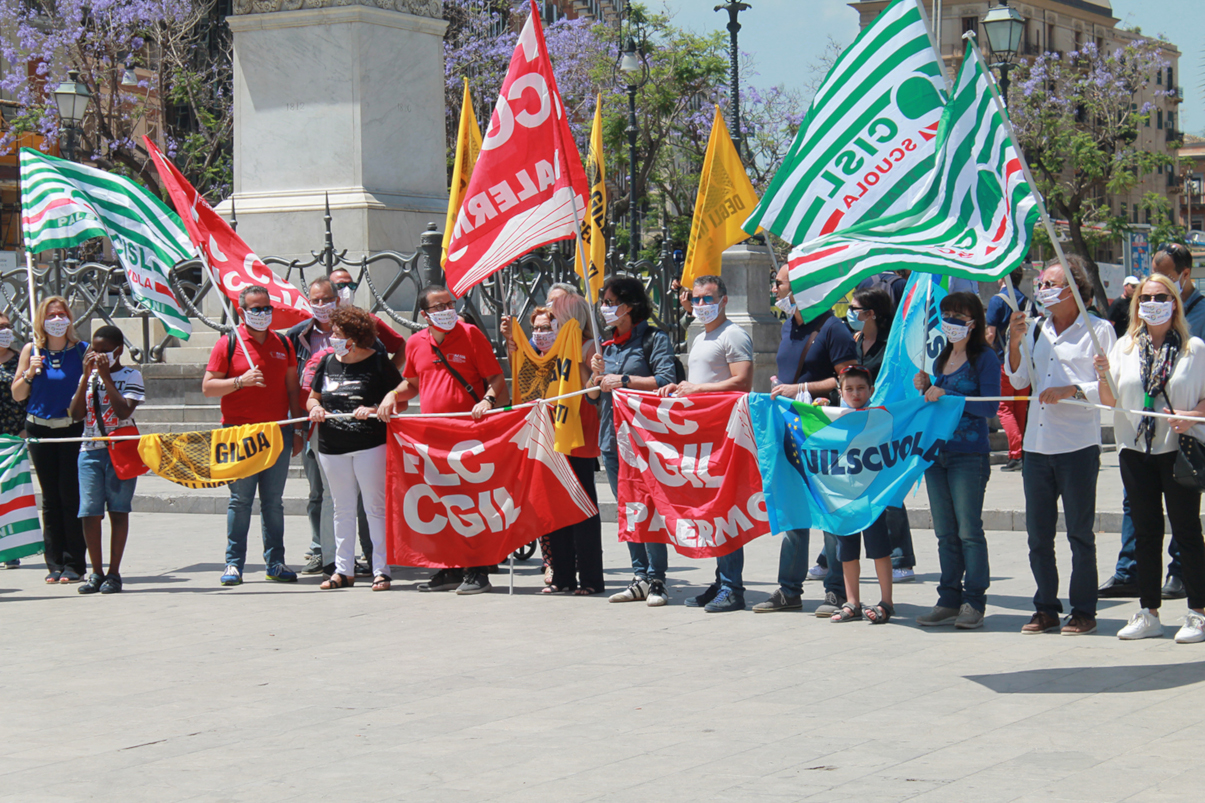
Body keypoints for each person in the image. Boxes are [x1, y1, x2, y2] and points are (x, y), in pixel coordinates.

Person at [1005, 256, 1117, 635]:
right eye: (1041, 284)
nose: (1043, 291)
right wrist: (1014, 341)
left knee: (1080, 534)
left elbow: (1109, 389)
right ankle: (1045, 607)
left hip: (1076, 445)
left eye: (1051, 284)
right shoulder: (1036, 328)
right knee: (1039, 535)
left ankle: (1083, 610)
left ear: (1074, 288)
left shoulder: (1098, 330)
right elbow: (1019, 379)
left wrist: (1073, 390)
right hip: (1037, 446)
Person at [378, 284, 509, 595]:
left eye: (449, 304)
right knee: (443, 502)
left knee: (471, 503)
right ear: (425, 314)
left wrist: (487, 401)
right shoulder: (415, 343)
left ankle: (477, 570)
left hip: (469, 435)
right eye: (438, 307)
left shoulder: (470, 334)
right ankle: (450, 568)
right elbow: (412, 384)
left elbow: (496, 379)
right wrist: (392, 394)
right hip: (433, 438)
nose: (447, 310)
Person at [1095, 274, 1205, 642]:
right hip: (1134, 449)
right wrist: (1101, 375)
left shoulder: (1194, 349)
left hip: (1177, 449)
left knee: (1187, 531)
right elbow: (1110, 401)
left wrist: (1191, 416)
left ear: (1174, 303)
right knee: (1145, 532)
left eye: (1160, 297)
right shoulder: (1124, 347)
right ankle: (1148, 612)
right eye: (1145, 298)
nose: (1152, 304)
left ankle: (1199, 611)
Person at [755, 264, 856, 616]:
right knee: (793, 508)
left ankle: (836, 590)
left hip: (823, 431)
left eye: (779, 283)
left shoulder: (832, 328)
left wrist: (801, 388)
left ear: (800, 288)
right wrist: (782, 388)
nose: (775, 289)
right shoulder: (788, 326)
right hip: (791, 430)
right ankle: (789, 589)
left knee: (828, 512)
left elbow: (849, 380)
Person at [660, 275, 754, 613]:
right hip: (704, 435)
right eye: (697, 298)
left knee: (725, 508)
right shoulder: (701, 336)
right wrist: (681, 388)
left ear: (724, 300)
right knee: (713, 510)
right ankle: (721, 581)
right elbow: (700, 382)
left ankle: (732, 587)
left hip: (726, 435)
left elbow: (743, 382)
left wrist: (697, 389)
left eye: (708, 298)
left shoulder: (733, 335)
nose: (701, 304)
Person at [202, 285, 305, 587]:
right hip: (239, 435)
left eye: (266, 308)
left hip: (277, 432)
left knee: (273, 502)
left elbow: (292, 388)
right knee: (240, 501)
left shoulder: (282, 343)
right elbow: (208, 387)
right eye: (256, 309)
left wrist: (297, 429)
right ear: (241, 311)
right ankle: (234, 564)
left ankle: (276, 562)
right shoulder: (228, 343)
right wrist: (239, 382)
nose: (262, 314)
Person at [505, 292, 605, 595]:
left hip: (577, 436)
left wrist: (594, 372)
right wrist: (513, 344)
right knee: (554, 506)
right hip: (548, 436)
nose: (549, 326)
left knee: (583, 507)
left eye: (555, 318)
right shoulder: (551, 349)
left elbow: (593, 393)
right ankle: (562, 575)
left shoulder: (587, 346)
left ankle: (590, 578)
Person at [914, 292, 1001, 630]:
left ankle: (974, 601)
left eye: (957, 316)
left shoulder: (985, 358)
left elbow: (990, 406)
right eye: (946, 314)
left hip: (969, 454)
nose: (949, 321)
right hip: (938, 453)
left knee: (968, 531)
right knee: (945, 532)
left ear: (973, 322)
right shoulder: (941, 357)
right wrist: (927, 386)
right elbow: (936, 403)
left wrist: (948, 394)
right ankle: (948, 598)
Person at [589, 275, 677, 607]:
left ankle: (657, 578)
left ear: (629, 306)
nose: (605, 308)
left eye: (610, 302)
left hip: (643, 439)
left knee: (649, 506)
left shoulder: (654, 339)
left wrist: (624, 379)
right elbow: (593, 396)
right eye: (603, 302)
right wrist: (595, 376)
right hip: (612, 440)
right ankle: (639, 575)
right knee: (629, 508)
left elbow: (666, 380)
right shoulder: (606, 346)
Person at [306, 306, 402, 591]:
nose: (333, 339)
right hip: (331, 445)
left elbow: (400, 400)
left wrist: (374, 409)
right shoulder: (327, 362)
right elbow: (313, 397)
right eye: (333, 333)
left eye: (338, 334)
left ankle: (381, 569)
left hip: (370, 444)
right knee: (342, 508)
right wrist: (315, 408)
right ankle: (342, 570)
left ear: (355, 337)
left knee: (374, 507)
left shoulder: (378, 362)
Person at [11, 296, 87, 584]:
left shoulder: (81, 350)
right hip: (39, 430)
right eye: (51, 315)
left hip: (71, 429)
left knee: (70, 495)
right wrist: (30, 373)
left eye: (61, 314)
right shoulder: (32, 350)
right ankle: (54, 563)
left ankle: (74, 564)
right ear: (41, 320)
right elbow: (18, 394)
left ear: (69, 318)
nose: (57, 320)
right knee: (50, 498)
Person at [67, 325, 144, 595]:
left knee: (118, 510)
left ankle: (114, 572)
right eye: (94, 350)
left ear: (118, 350)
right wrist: (85, 377)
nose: (98, 355)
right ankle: (96, 572)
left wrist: (106, 378)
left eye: (104, 351)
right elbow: (75, 414)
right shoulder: (87, 377)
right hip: (90, 450)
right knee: (89, 512)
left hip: (120, 450)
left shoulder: (131, 375)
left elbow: (124, 410)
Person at [848, 285, 917, 584]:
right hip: (857, 427)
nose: (849, 314)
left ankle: (901, 557)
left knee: (889, 490)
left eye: (854, 309)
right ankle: (830, 557)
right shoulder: (854, 341)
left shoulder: (891, 346)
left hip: (886, 426)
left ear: (871, 314)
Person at [820, 366, 896, 624]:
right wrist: (819, 411)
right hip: (843, 496)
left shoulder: (880, 416)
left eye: (861, 388)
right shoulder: (833, 417)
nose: (855, 394)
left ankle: (886, 602)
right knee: (847, 551)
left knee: (879, 549)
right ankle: (852, 602)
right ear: (840, 391)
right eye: (849, 389)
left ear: (871, 390)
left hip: (872, 497)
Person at [985, 266, 1031, 472]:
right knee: (1020, 407)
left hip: (1004, 361)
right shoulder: (1027, 301)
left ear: (1003, 277)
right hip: (1026, 362)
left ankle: (1016, 453)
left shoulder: (997, 301)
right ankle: (1022, 452)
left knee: (1004, 407)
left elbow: (990, 335)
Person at [0, 313, 26, 569]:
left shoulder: (21, 360)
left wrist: (25, 430)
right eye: (0, 327)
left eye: (7, 326)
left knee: (8, 495)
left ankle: (10, 550)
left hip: (12, 438)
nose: (5, 331)